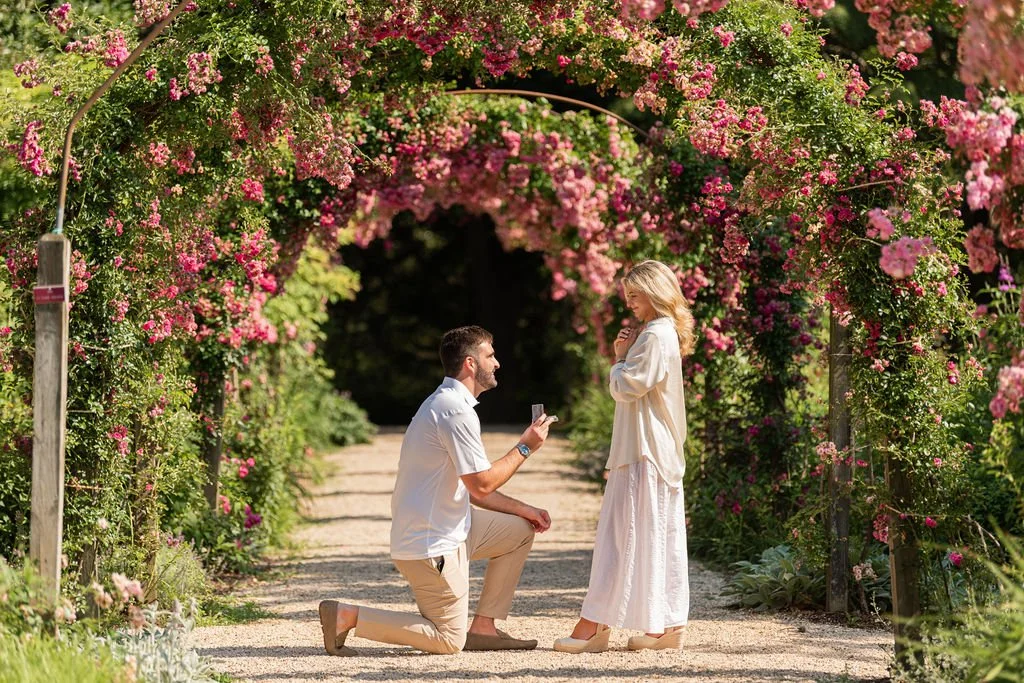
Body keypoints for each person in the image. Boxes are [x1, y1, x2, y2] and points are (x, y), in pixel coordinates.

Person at [318, 325, 554, 656]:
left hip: (453, 528)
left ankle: (484, 628)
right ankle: (347, 615)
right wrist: (525, 447)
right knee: (448, 641)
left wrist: (523, 510)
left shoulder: (447, 404)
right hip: (430, 545)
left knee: (519, 530)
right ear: (471, 364)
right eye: (490, 355)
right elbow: (483, 483)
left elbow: (473, 489)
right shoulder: (454, 411)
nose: (497, 363)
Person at [554, 260, 694, 653]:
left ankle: (594, 626)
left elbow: (628, 387)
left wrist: (618, 358)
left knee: (620, 536)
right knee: (656, 535)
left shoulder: (654, 335)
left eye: (635, 295)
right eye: (628, 296)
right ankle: (665, 625)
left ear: (654, 293)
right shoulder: (661, 334)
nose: (630, 303)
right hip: (653, 449)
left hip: (643, 451)